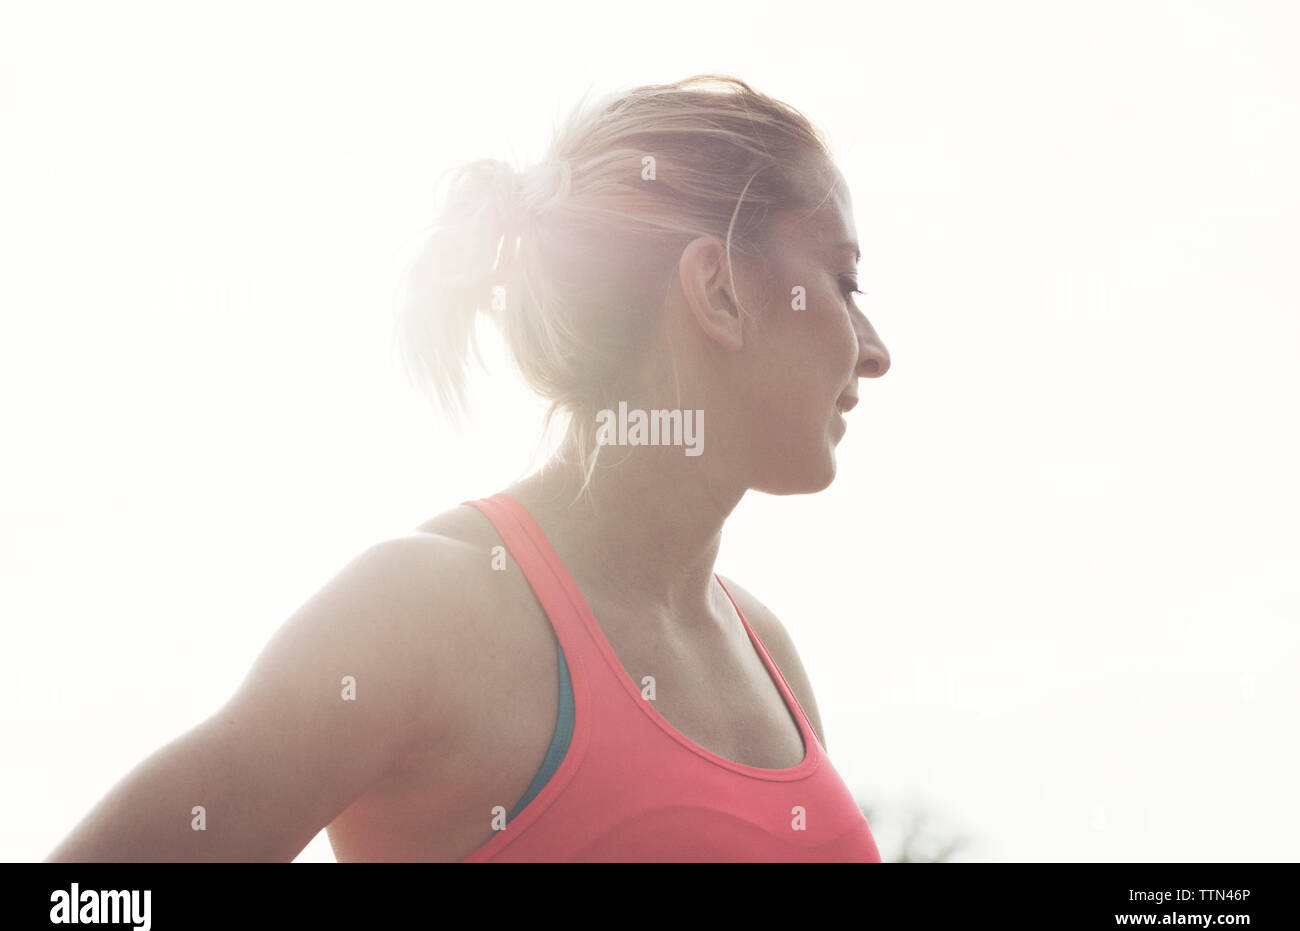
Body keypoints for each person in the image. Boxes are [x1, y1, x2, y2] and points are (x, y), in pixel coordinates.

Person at [45, 74, 891, 862]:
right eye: (845, 281)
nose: (877, 352)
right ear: (718, 291)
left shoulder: (767, 652)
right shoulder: (431, 613)